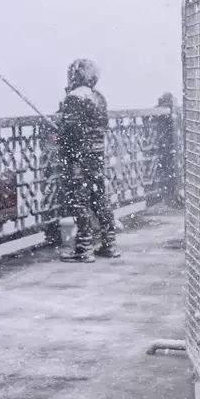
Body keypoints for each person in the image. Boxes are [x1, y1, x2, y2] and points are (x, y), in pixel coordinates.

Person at [57, 59, 118, 262]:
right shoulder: (98, 97)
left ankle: (84, 248)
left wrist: (61, 133)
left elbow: (71, 131)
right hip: (97, 155)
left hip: (79, 157)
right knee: (99, 198)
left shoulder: (74, 98)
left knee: (80, 202)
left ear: (74, 75)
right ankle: (110, 244)